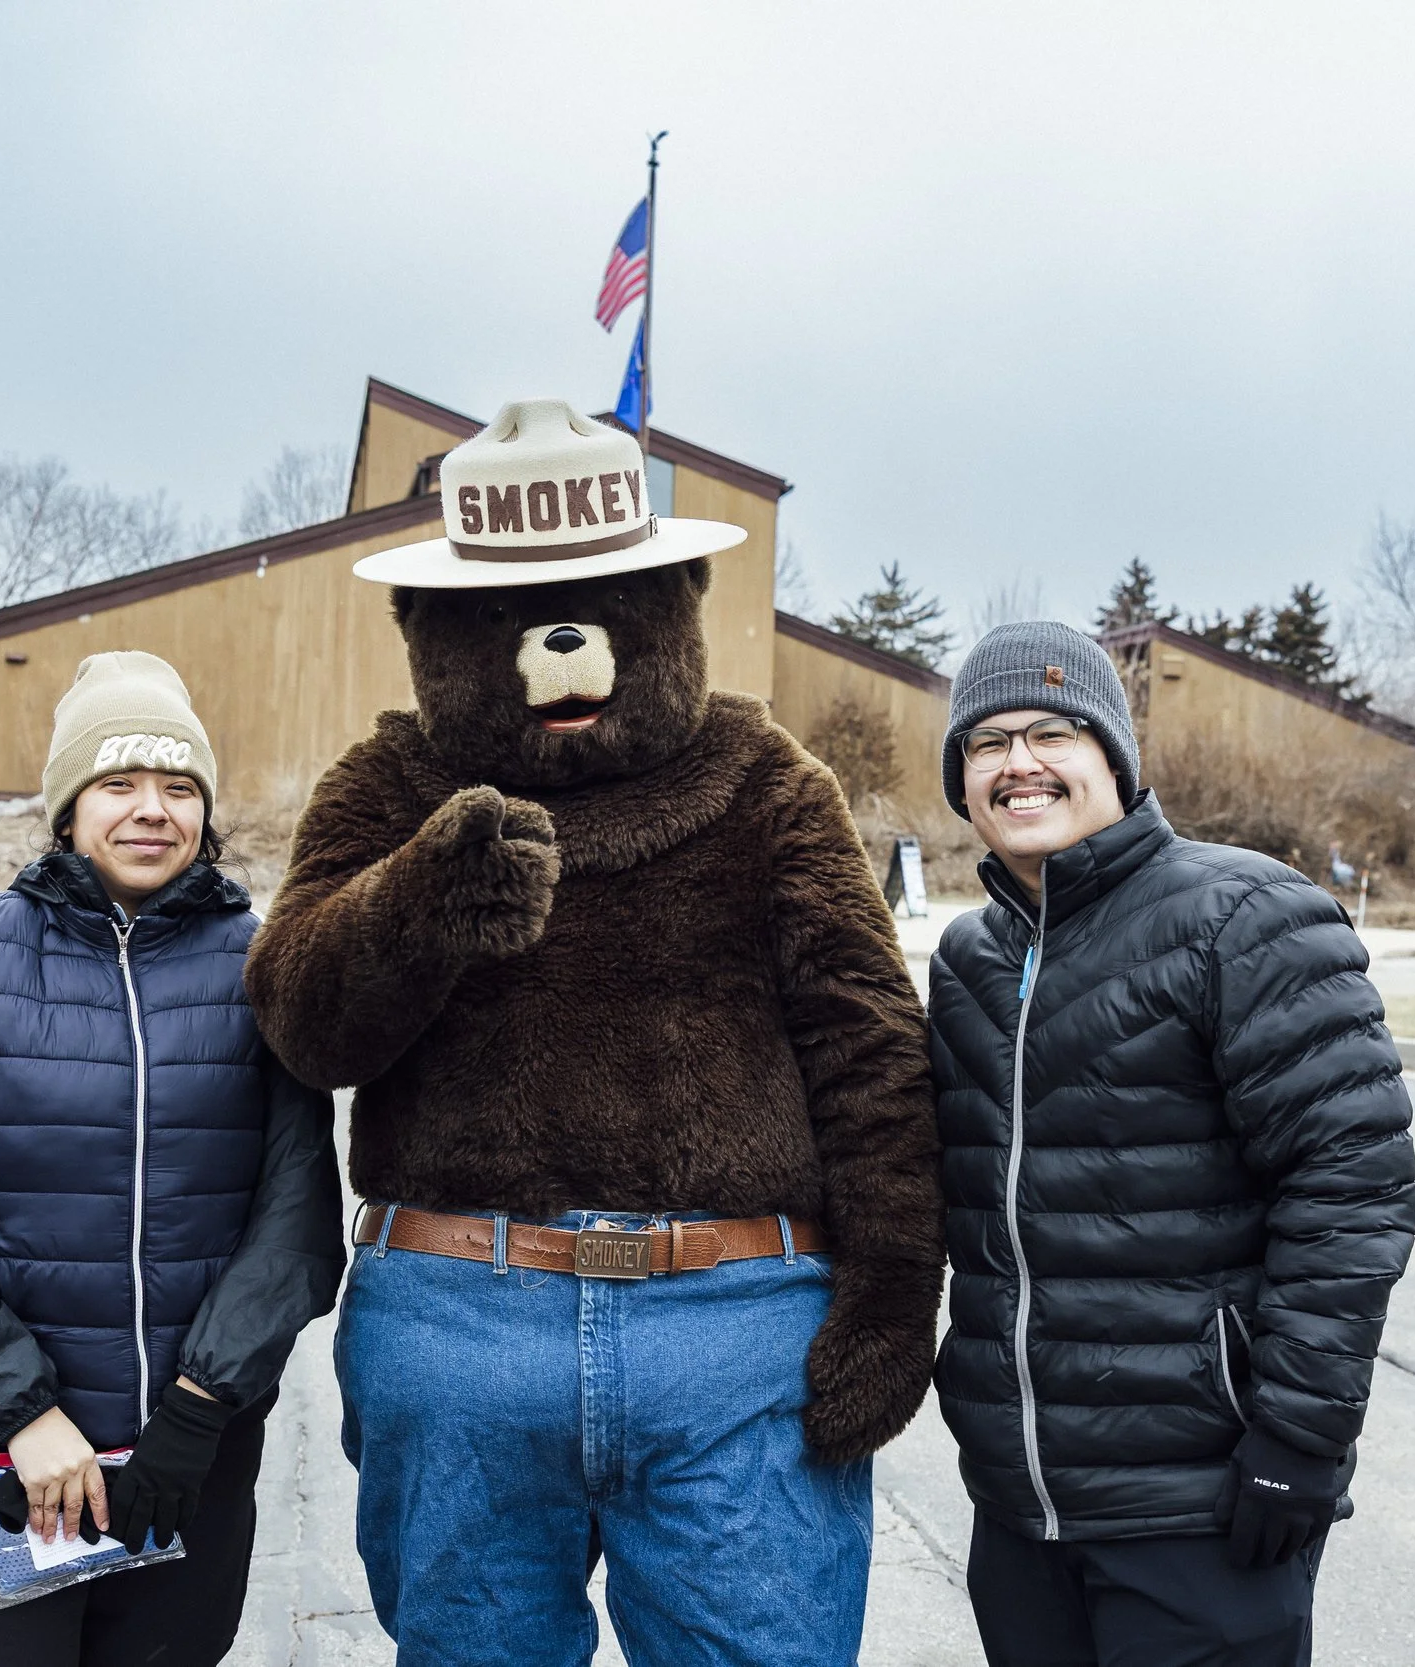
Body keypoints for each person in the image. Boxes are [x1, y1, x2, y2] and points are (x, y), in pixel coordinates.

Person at [246, 399, 943, 1667]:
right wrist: (419, 902)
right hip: (460, 1326)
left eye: (605, 602)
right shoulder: (387, 787)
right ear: (430, 629)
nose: (555, 645)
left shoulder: (765, 779)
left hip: (736, 1331)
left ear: (674, 601)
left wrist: (892, 1293)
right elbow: (301, 1022)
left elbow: (868, 1044)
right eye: (507, 614)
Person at [928, 623, 1415, 1666]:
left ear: (1111, 754)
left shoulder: (1245, 914)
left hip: (1197, 1508)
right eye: (985, 742)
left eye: (1051, 731)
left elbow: (1352, 1187)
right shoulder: (970, 956)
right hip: (1021, 1512)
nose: (1018, 762)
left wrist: (1298, 1438)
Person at [0, 650, 344, 1667]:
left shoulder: (266, 967)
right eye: (117, 783)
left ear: (206, 814)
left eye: (178, 787)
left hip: (186, 1452)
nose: (149, 810)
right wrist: (24, 1412)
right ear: (69, 807)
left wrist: (201, 1409)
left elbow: (295, 1223)